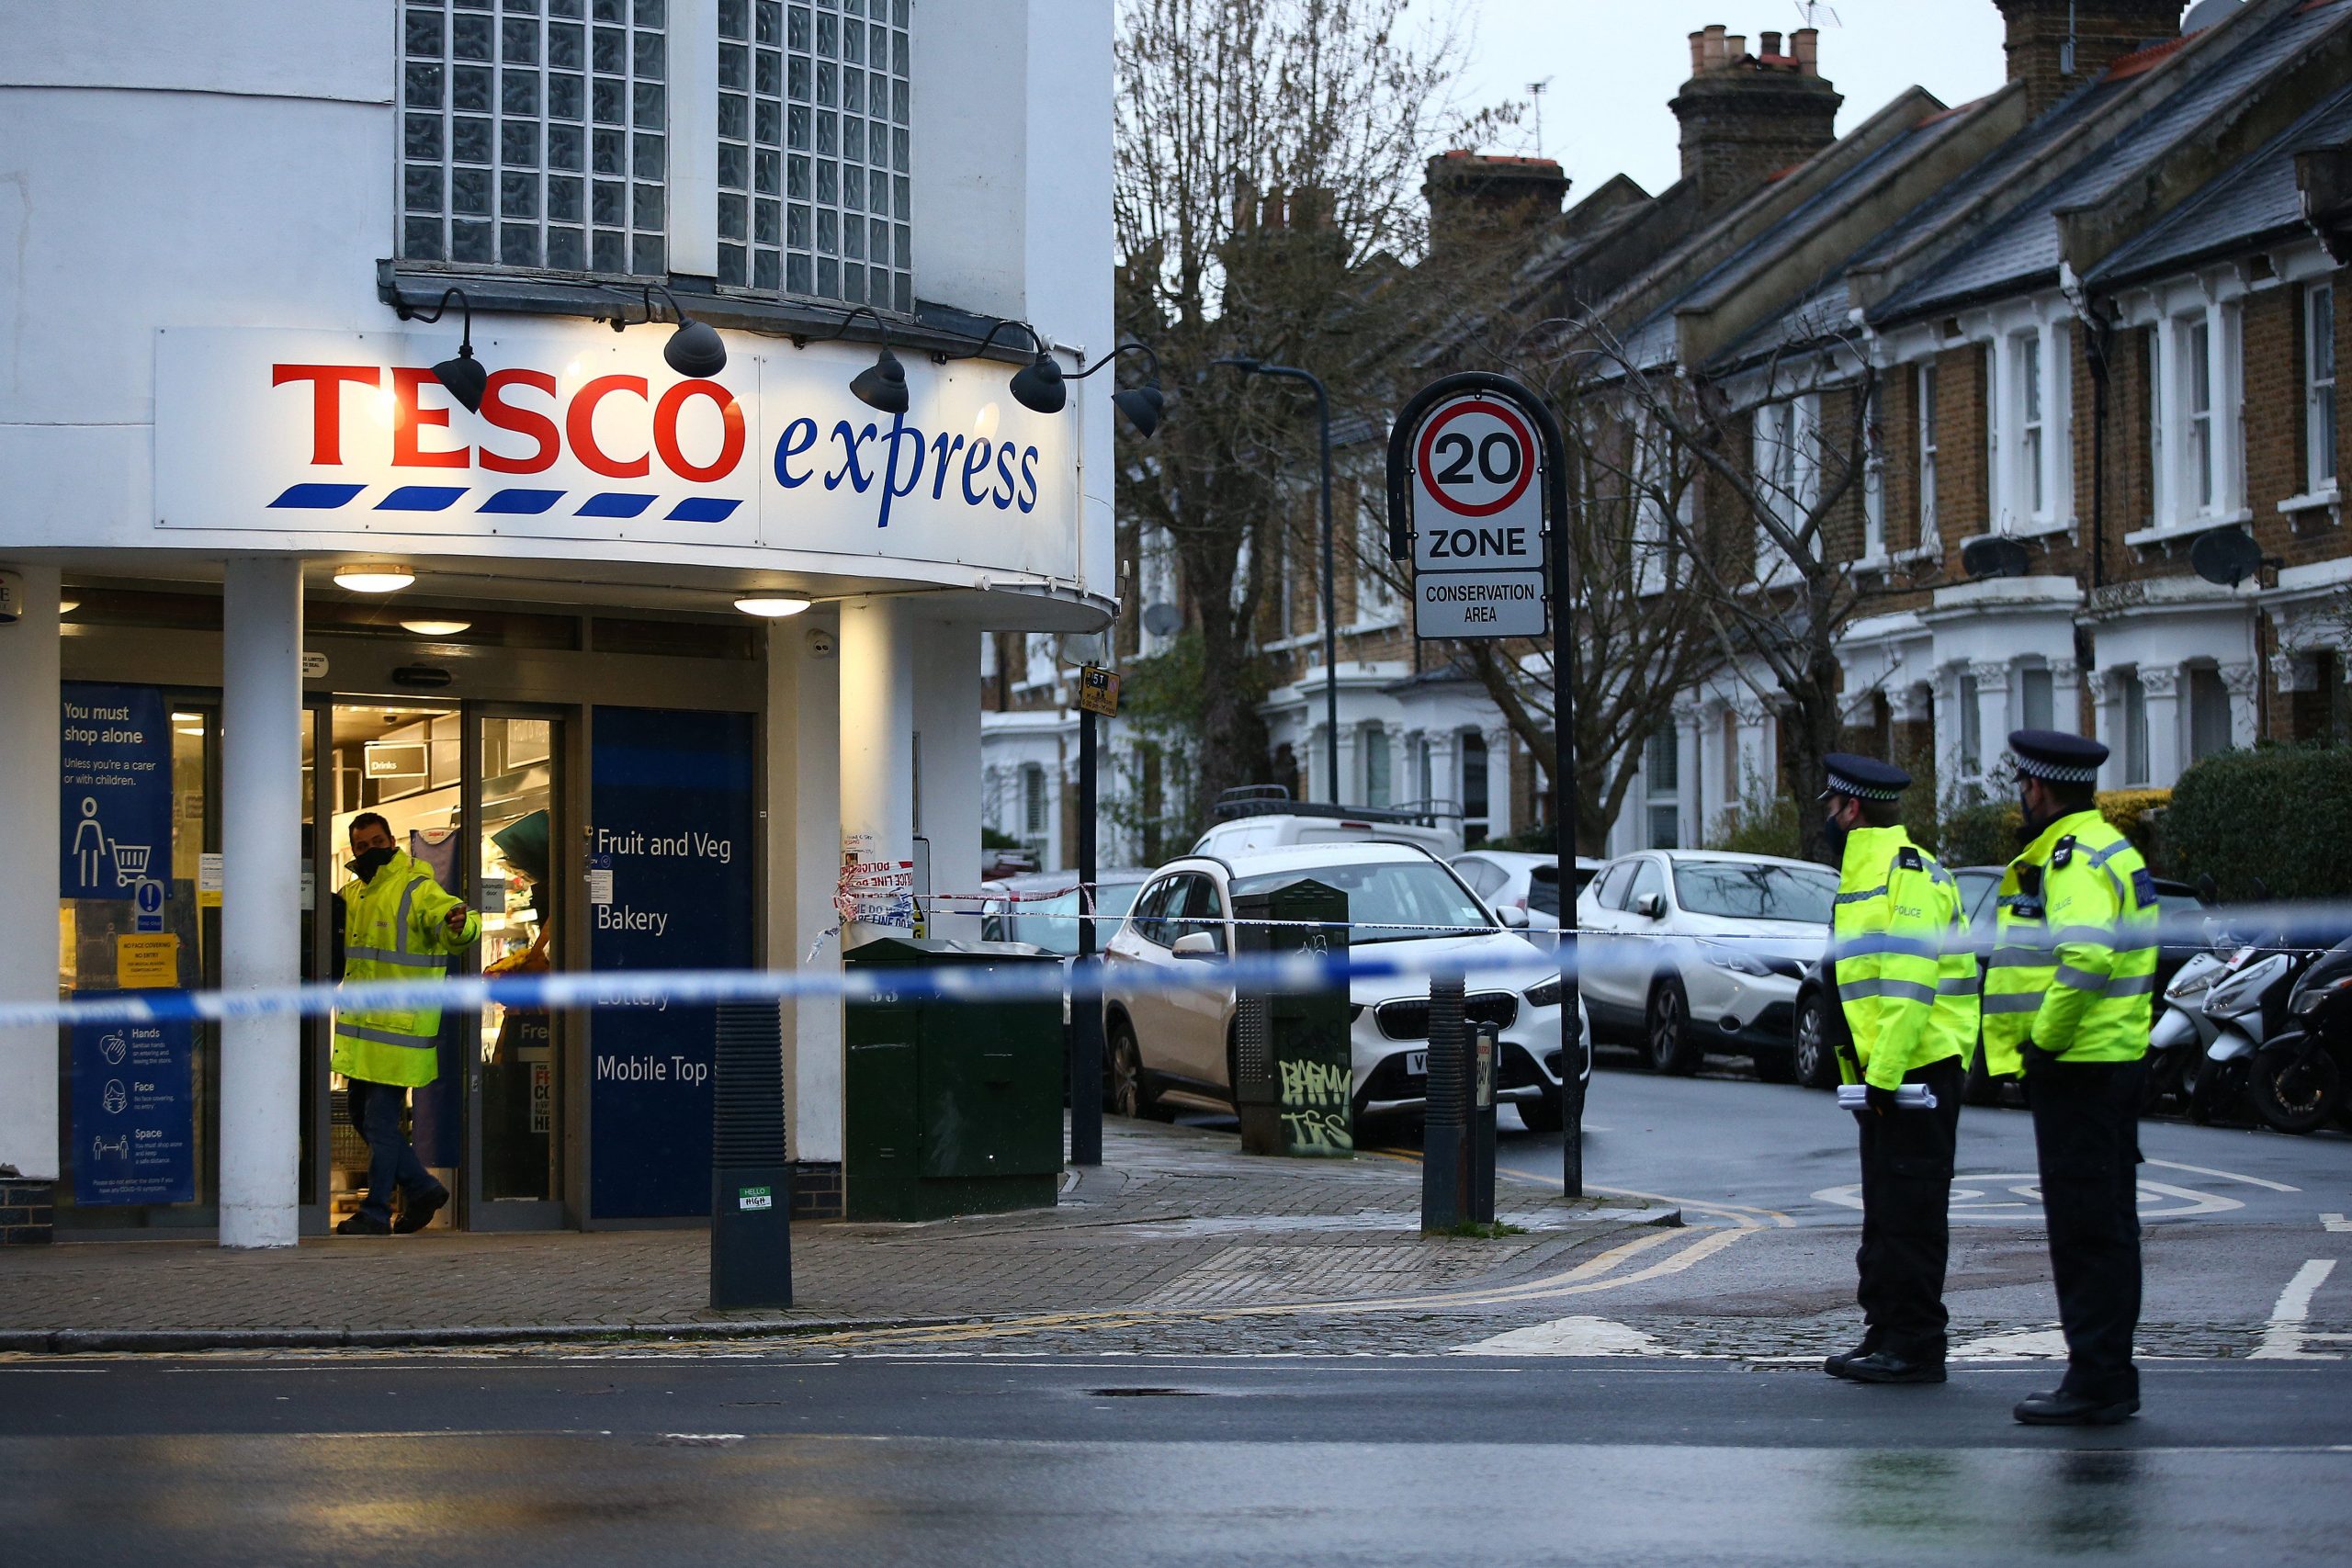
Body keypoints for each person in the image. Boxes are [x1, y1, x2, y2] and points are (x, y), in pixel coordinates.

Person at [1983, 729, 2159, 1425]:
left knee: (2085, 1230)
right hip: (2112, 1062)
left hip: (2080, 1066)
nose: (2022, 798)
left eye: (2024, 786)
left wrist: (2042, 1042)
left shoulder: (2074, 859)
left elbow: (2086, 957)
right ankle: (2107, 1370)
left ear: (2041, 788)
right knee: (2110, 1226)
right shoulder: (2114, 848)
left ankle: (2097, 1378)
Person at [1818, 754, 1978, 1386]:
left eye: (1832, 807)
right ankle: (1885, 1329)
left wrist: (1880, 1076)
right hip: (1886, 1073)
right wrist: (1857, 1072)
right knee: (1885, 1210)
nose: (1827, 819)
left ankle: (1915, 1343)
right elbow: (1852, 987)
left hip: (1917, 1070)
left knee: (1910, 1213)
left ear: (1853, 809)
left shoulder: (1904, 874)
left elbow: (1908, 987)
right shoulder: (1864, 873)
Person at [334, 812, 481, 1236]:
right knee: (362, 1118)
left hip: (399, 1030)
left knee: (379, 1123)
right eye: (361, 846)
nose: (370, 851)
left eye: (377, 841)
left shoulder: (416, 886)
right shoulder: (354, 894)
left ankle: (377, 1211)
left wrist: (461, 923)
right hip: (365, 1033)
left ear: (392, 840)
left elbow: (456, 920)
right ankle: (422, 1187)